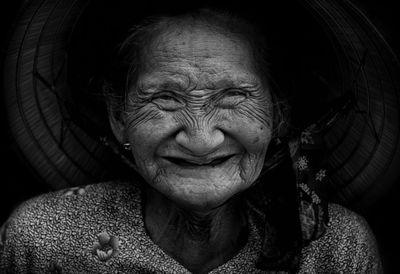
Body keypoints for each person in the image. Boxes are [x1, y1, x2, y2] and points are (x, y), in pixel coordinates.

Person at [0, 9, 382, 273]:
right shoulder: (43, 239)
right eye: (165, 98)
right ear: (119, 118)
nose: (200, 139)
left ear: (278, 115)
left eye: (233, 96)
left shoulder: (337, 248)